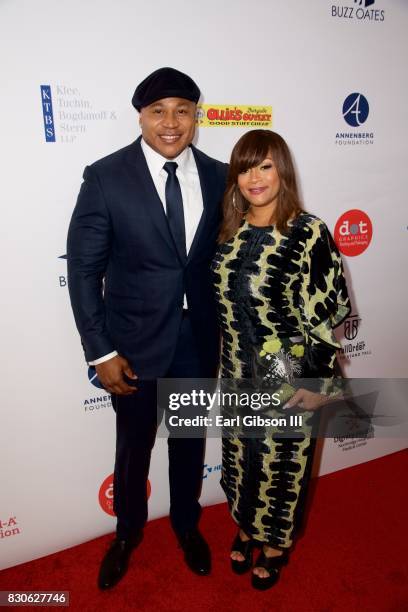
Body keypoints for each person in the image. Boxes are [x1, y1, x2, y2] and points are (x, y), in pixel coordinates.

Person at [67, 67, 227, 589]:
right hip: (132, 346)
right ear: (141, 116)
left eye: (182, 110)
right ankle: (127, 533)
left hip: (197, 341)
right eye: (158, 111)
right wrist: (100, 351)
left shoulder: (219, 175)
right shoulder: (106, 176)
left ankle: (185, 524)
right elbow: (85, 271)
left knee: (187, 442)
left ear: (196, 116)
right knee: (133, 448)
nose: (171, 122)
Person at [212, 129, 350, 590]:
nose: (255, 177)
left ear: (282, 171)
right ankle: (248, 526)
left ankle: (274, 545)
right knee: (242, 457)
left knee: (280, 463)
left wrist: (315, 381)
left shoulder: (307, 233)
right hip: (235, 370)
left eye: (265, 165)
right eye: (246, 167)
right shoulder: (228, 230)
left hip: (286, 371)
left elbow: (330, 314)